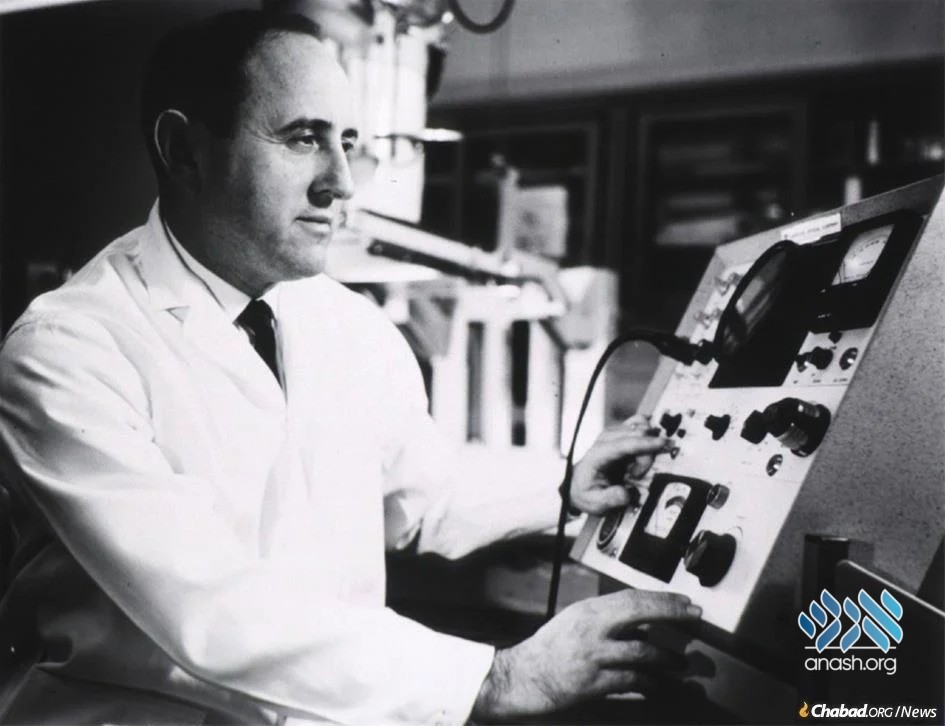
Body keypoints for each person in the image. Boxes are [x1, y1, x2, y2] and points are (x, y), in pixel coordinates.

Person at [0, 10, 700, 724]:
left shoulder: (346, 323)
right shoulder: (68, 347)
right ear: (185, 150)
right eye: (303, 137)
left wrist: (565, 483)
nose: (340, 181)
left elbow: (422, 494)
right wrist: (499, 678)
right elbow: (205, 610)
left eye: (348, 142)